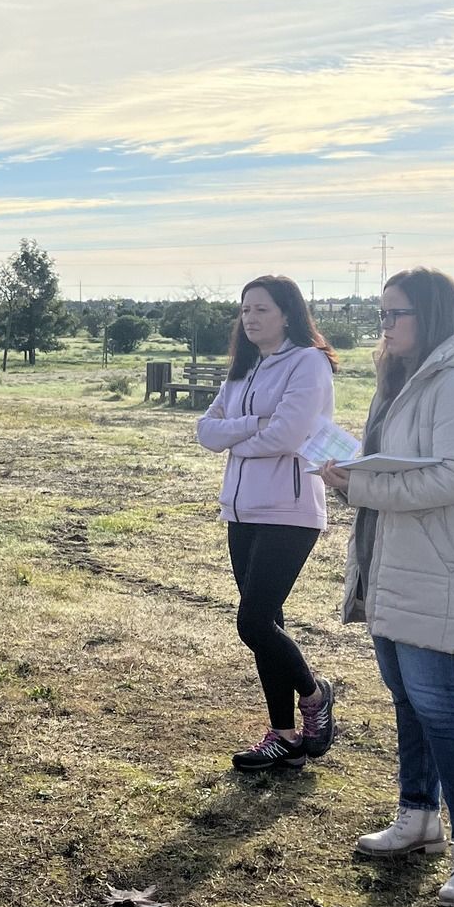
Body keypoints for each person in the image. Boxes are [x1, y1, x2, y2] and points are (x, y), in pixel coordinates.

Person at [319, 268, 454, 907]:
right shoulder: (399, 376)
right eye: (381, 315)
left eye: (394, 314)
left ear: (429, 315)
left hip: (435, 565)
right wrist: (351, 476)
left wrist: (361, 485)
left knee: (443, 708)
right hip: (389, 560)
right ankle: (418, 815)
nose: (384, 327)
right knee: (407, 700)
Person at [196, 276, 338, 770]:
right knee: (266, 625)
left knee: (253, 621)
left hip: (290, 511)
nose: (251, 318)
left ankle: (315, 694)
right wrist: (253, 428)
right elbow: (205, 430)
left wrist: (237, 437)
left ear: (288, 314)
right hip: (241, 510)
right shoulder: (244, 368)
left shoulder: (309, 362)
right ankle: (284, 737)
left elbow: (289, 434)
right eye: (245, 310)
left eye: (261, 309)